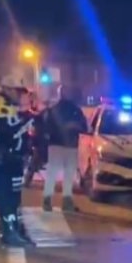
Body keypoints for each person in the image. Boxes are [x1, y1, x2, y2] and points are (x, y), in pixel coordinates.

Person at [0, 75, 35, 247]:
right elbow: (8, 131)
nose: (20, 95)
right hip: (4, 158)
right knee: (7, 198)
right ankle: (9, 233)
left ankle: (16, 229)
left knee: (15, 197)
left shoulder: (10, 105)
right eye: (18, 91)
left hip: (14, 158)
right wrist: (28, 118)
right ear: (7, 89)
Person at [41, 84, 89, 212]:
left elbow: (45, 128)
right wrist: (73, 127)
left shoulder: (52, 110)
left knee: (53, 174)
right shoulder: (76, 110)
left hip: (56, 145)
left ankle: (48, 200)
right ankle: (65, 202)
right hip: (69, 145)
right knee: (68, 175)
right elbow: (84, 127)